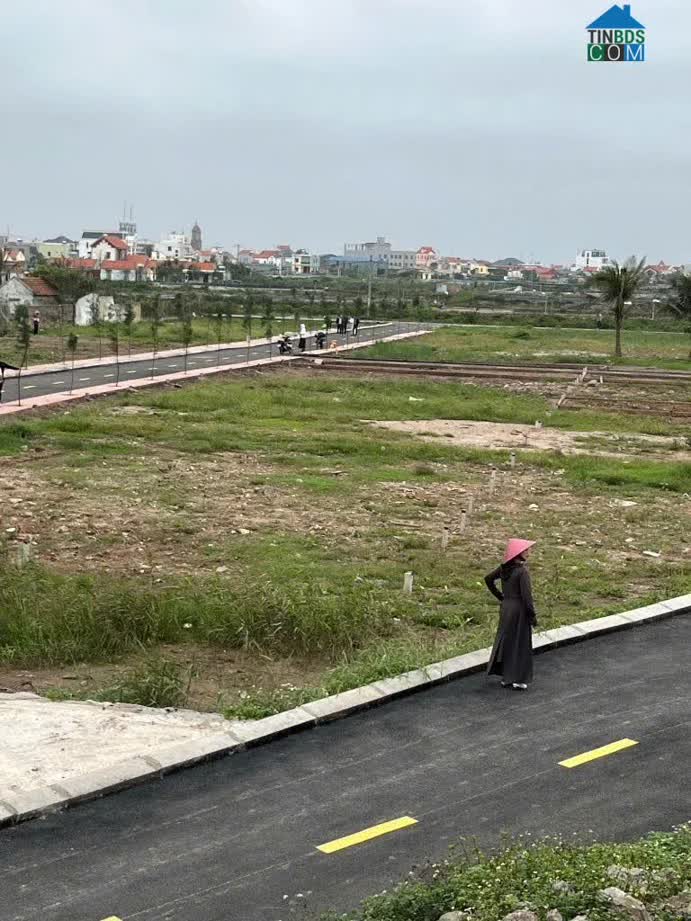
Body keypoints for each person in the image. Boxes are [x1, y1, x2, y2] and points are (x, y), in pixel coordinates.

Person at [485, 538, 537, 690]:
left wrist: (501, 596)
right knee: (520, 643)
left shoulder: (504, 569)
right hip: (519, 609)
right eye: (526, 550)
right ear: (518, 553)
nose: (528, 552)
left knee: (506, 640)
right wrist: (532, 616)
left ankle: (505, 677)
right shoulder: (522, 572)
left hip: (506, 607)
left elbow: (488, 579)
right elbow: (527, 597)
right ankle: (518, 678)